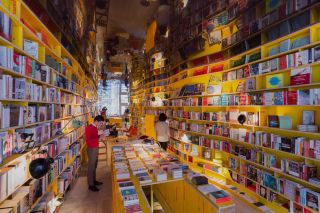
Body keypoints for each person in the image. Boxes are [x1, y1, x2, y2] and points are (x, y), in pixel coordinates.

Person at [85, 115, 105, 192]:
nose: (101, 125)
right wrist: (99, 137)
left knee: (95, 165)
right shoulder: (89, 128)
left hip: (95, 147)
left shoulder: (95, 127)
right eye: (100, 123)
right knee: (91, 166)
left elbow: (94, 137)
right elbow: (89, 140)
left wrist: (100, 136)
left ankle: (94, 180)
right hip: (91, 148)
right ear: (96, 121)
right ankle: (91, 184)